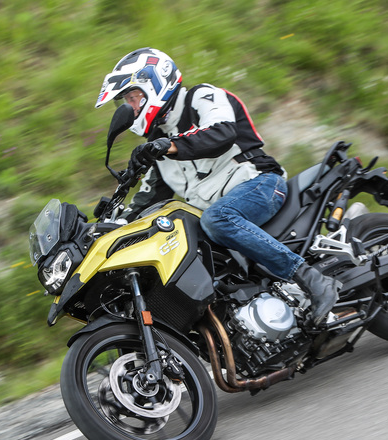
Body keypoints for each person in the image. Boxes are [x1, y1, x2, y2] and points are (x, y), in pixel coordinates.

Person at [95, 48, 339, 326]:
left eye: (133, 97)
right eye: (127, 101)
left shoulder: (201, 97)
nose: (132, 108)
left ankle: (314, 280)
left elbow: (221, 131)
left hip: (260, 184)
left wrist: (169, 146)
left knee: (216, 219)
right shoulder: (159, 143)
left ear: (154, 84)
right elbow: (147, 198)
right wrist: (112, 226)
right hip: (221, 213)